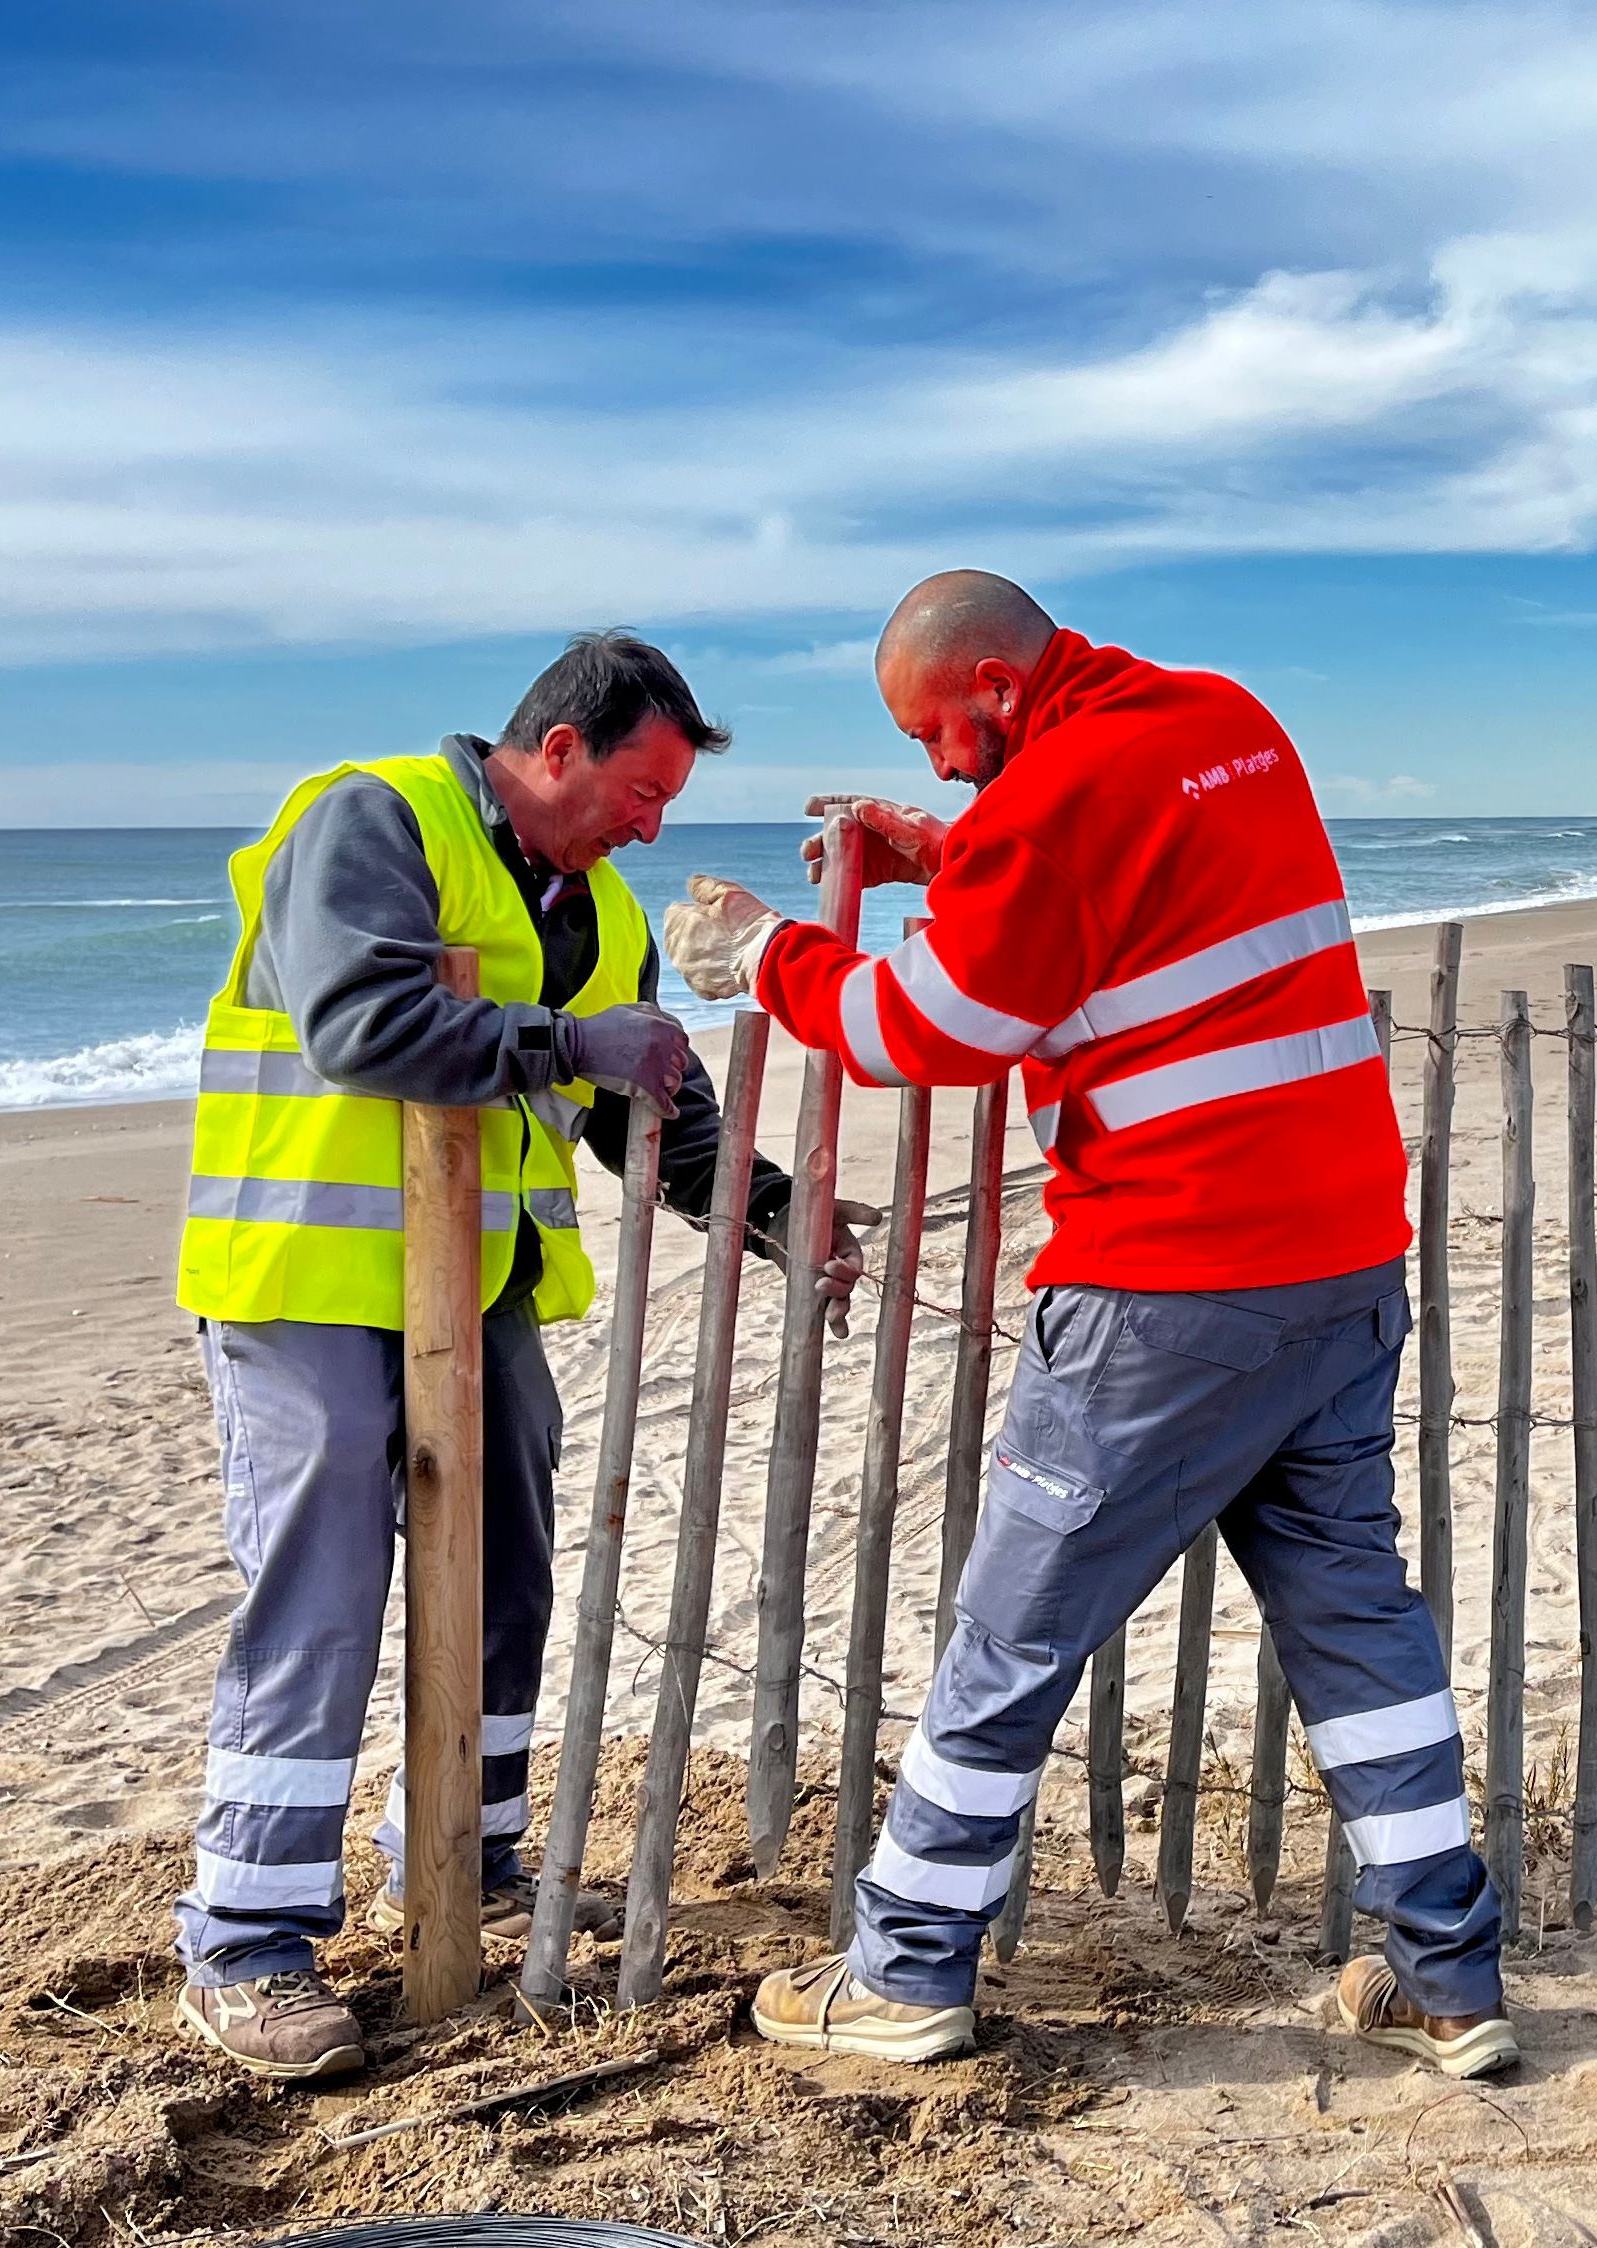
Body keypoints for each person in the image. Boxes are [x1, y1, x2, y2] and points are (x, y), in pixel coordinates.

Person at [667, 570, 1513, 2078]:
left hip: (1168, 1287)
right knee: (1355, 1621)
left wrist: (766, 953)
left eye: (939, 735)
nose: (934, 766)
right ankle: (1448, 1978)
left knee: (1014, 1634)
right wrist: (960, 849)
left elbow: (930, 1031)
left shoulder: (1048, 801)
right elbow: (1123, 893)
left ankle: (908, 1971)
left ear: (995, 687)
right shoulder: (1222, 722)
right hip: (1339, 1267)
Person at [171, 631, 869, 2081]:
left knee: (508, 1568)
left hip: (478, 1292)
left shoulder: (600, 909)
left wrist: (786, 1216)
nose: (650, 825)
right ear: (556, 749)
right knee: (322, 1585)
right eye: (640, 789)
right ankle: (245, 1942)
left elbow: (648, 1116)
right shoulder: (370, 816)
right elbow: (364, 1025)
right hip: (305, 1274)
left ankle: (467, 1864)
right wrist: (568, 1043)